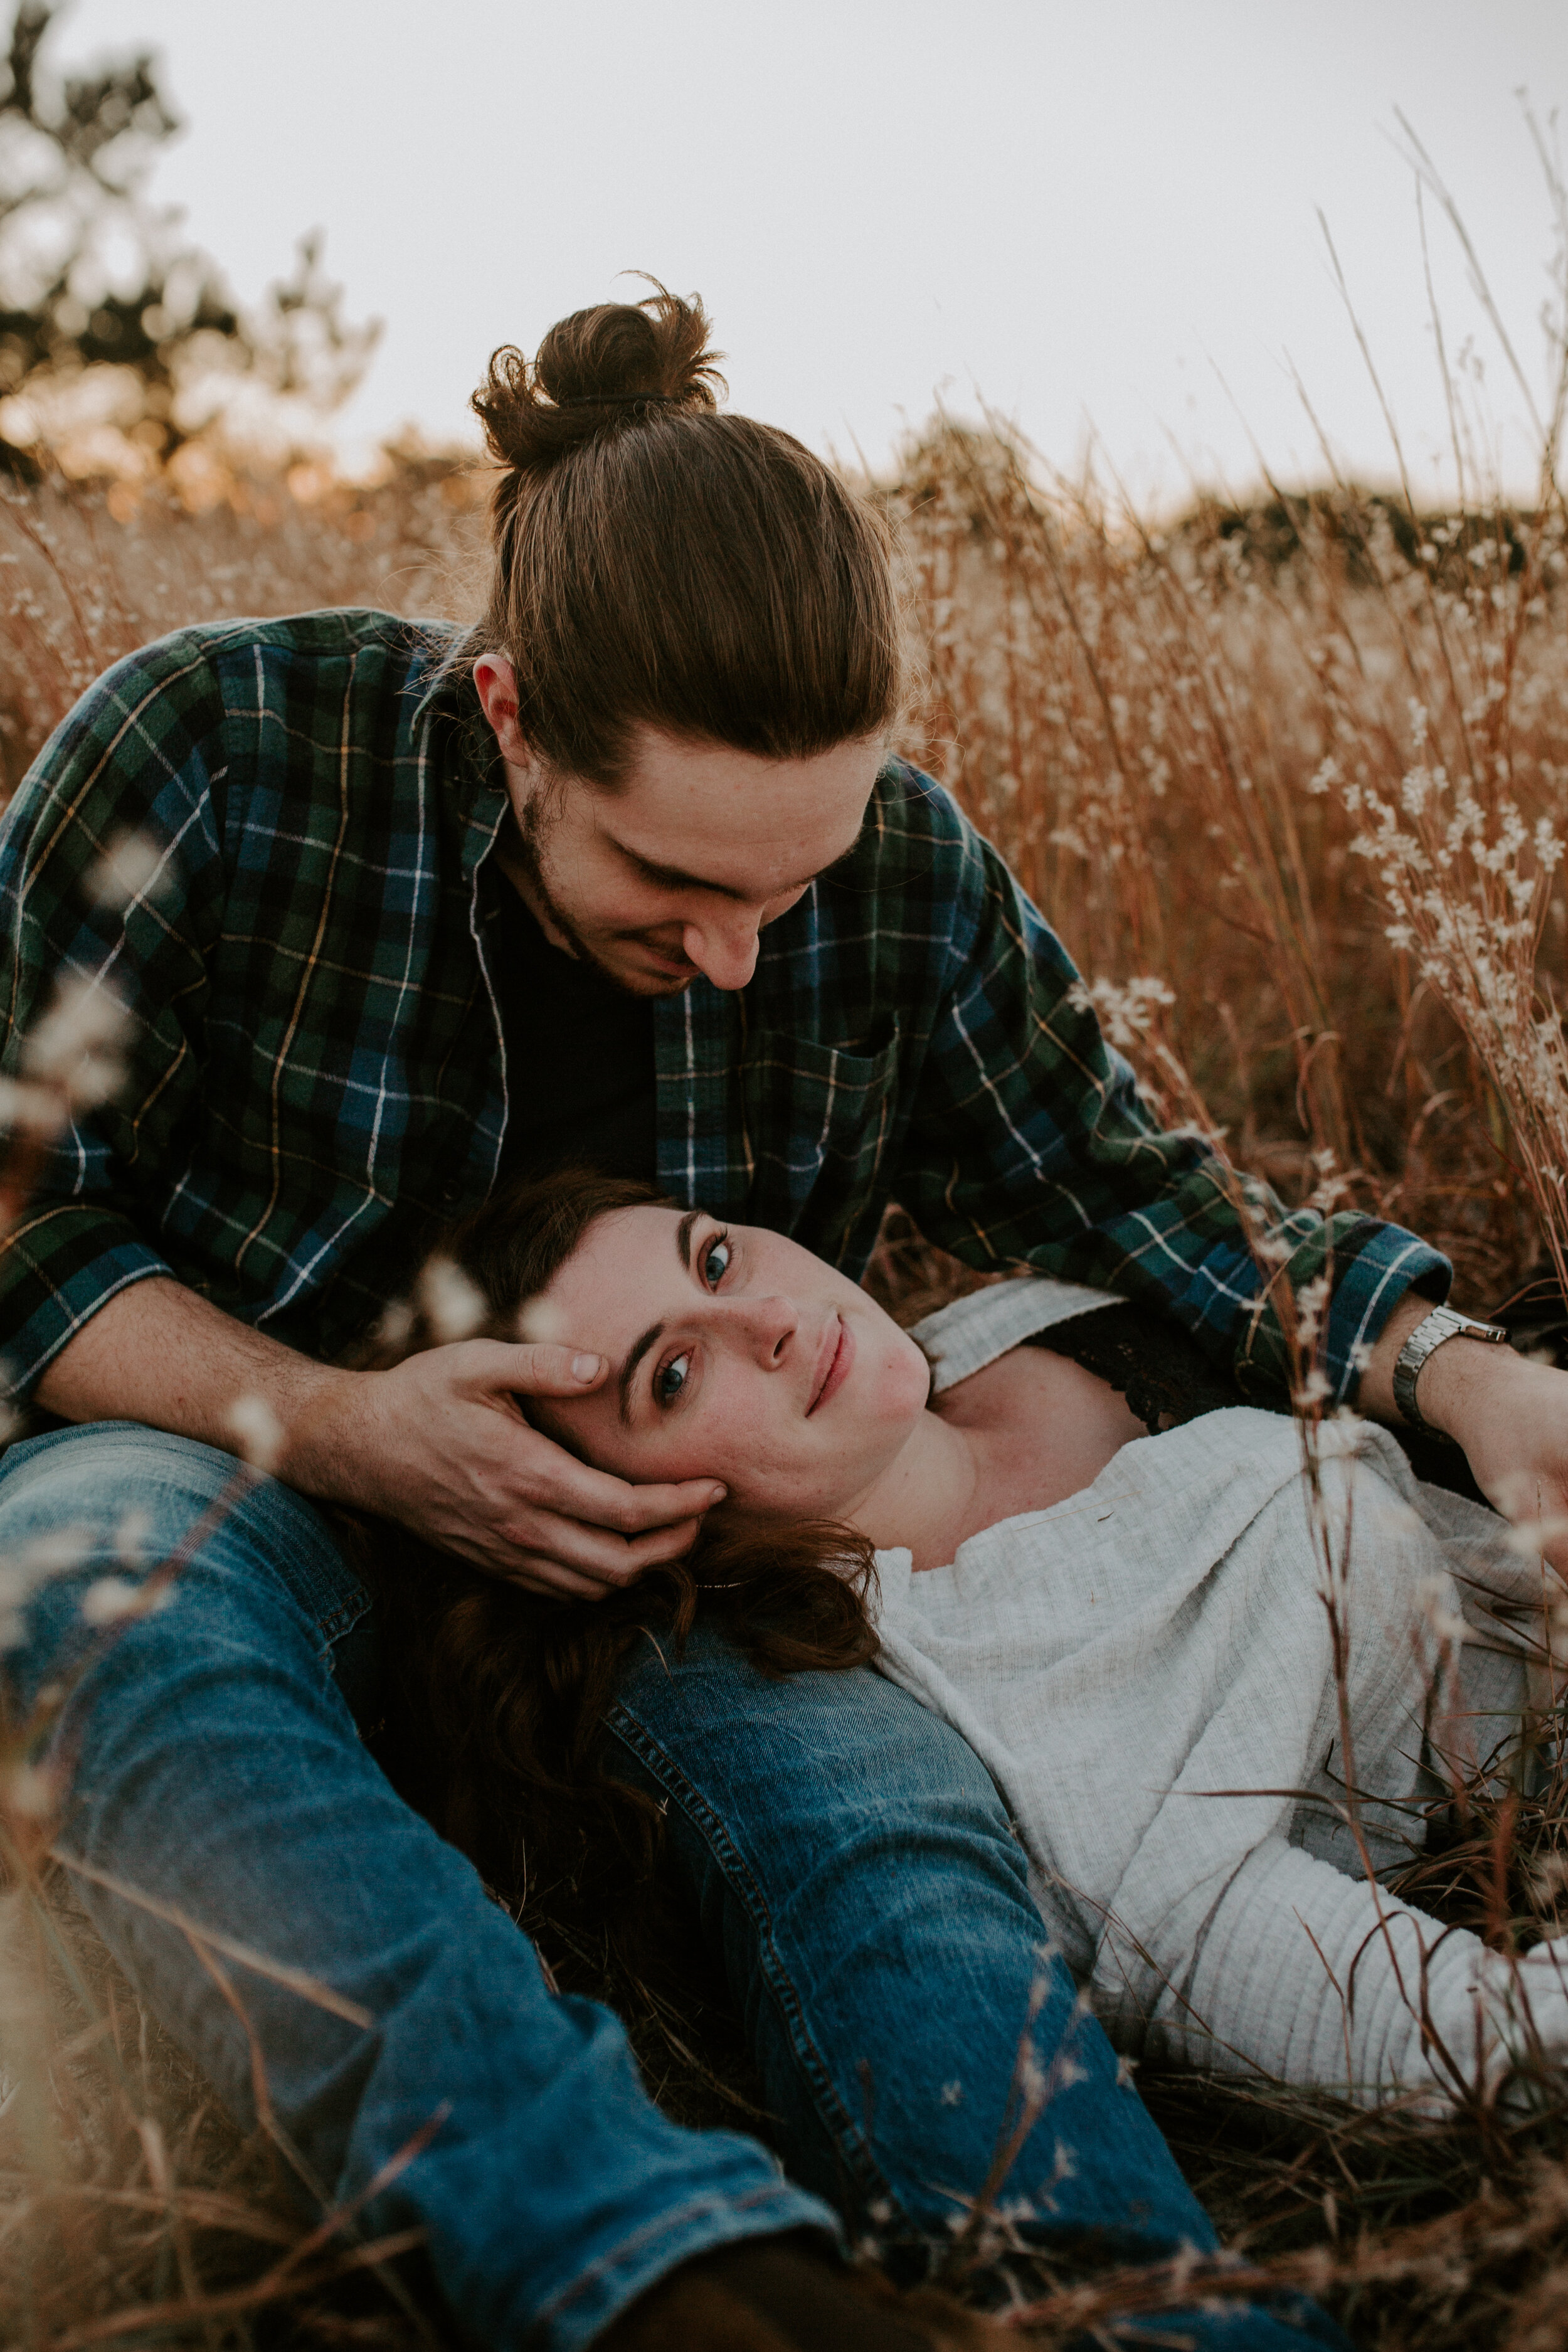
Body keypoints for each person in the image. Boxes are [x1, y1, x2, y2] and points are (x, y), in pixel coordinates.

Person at [0, 276, 1549, 2344]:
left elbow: (1137, 1189)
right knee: (74, 1573)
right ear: (511, 718)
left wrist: (1457, 1364)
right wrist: (340, 1425)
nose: (744, 958)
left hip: (669, 1556)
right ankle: (666, 2276)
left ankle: (1131, 2317)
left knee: (886, 1827)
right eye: (675, 889)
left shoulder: (898, 869)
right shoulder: (212, 751)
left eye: (791, 891)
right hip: (234, 1454)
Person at [405, 1172, 1568, 2114]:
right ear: (617, 1517)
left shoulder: (1005, 1318)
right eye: (673, 1371)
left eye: (716, 1255)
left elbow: (1255, 1254)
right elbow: (1441, 2020)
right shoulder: (985, 1704)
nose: (767, 1319)